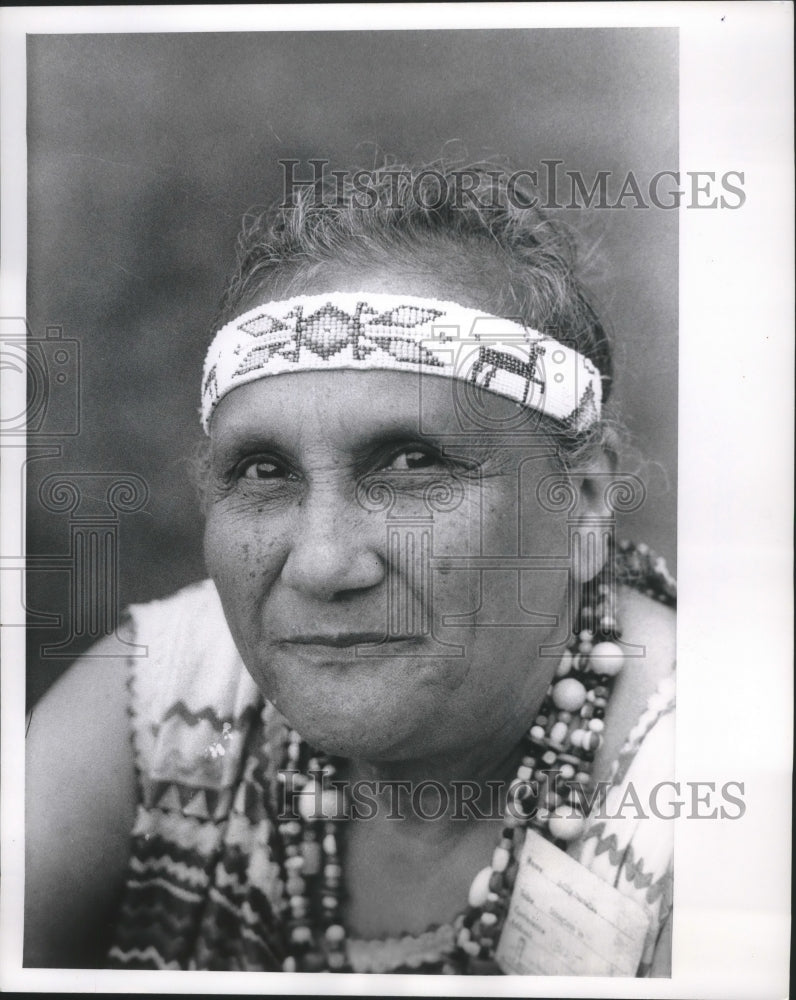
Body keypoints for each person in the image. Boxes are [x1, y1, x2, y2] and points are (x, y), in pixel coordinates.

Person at [24, 163, 676, 975]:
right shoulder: (168, 701)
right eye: (264, 471)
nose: (325, 563)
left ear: (582, 496)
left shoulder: (687, 808)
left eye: (411, 462)